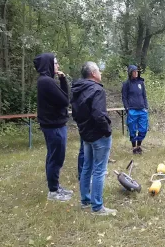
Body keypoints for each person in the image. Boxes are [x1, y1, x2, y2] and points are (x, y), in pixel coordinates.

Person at [71, 62, 117, 216]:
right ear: (93, 73)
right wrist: (107, 130)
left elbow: (75, 113)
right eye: (99, 70)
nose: (100, 73)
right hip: (98, 135)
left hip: (85, 134)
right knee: (99, 170)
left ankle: (85, 200)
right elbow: (98, 114)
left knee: (87, 167)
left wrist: (83, 128)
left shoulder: (77, 89)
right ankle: (97, 207)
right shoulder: (97, 89)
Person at [34, 53, 73, 202]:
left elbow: (62, 98)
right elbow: (65, 100)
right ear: (48, 64)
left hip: (53, 124)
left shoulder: (46, 81)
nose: (57, 65)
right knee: (56, 158)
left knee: (53, 156)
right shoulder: (46, 82)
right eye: (55, 63)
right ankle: (53, 192)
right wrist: (63, 80)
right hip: (54, 126)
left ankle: (55, 186)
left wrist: (61, 79)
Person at [122, 65, 149, 154]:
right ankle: (134, 148)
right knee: (132, 129)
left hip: (142, 109)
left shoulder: (141, 83)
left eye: (137, 71)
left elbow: (144, 95)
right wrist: (127, 109)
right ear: (130, 73)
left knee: (143, 129)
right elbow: (124, 97)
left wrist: (146, 107)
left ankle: (139, 146)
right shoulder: (126, 84)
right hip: (132, 110)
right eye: (134, 72)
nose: (136, 73)